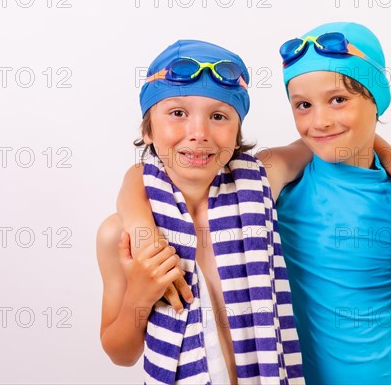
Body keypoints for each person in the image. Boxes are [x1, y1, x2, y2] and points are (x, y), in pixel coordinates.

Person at [96, 39, 305, 384]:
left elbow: (326, 135)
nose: (198, 133)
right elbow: (120, 354)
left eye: (219, 116)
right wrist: (140, 292)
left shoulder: (261, 180)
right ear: (147, 129)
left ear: (237, 133)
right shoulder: (120, 235)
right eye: (178, 113)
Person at [275, 22, 391, 384]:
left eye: (338, 99)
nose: (320, 121)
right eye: (303, 105)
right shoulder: (278, 194)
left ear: (375, 100)